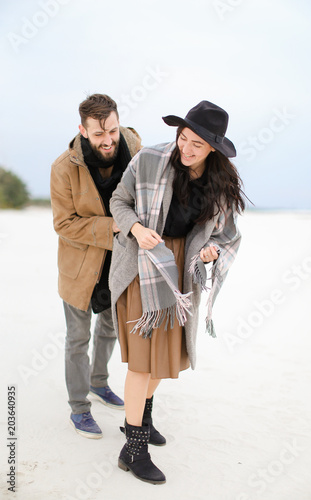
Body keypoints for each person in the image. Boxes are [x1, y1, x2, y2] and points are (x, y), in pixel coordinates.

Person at [109, 100, 245, 483]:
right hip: (141, 263)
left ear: (213, 150)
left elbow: (225, 234)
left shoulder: (221, 182)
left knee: (163, 358)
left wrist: (210, 250)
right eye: (183, 138)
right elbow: (118, 202)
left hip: (180, 270)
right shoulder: (150, 159)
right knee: (142, 360)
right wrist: (135, 228)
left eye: (196, 145)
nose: (185, 148)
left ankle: (142, 417)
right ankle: (133, 449)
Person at [50, 94, 142, 439]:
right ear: (82, 130)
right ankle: (79, 408)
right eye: (99, 134)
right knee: (77, 338)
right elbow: (64, 224)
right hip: (79, 268)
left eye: (113, 131)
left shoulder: (133, 144)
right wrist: (113, 226)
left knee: (110, 328)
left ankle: (99, 383)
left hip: (120, 261)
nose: (108, 141)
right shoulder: (62, 168)